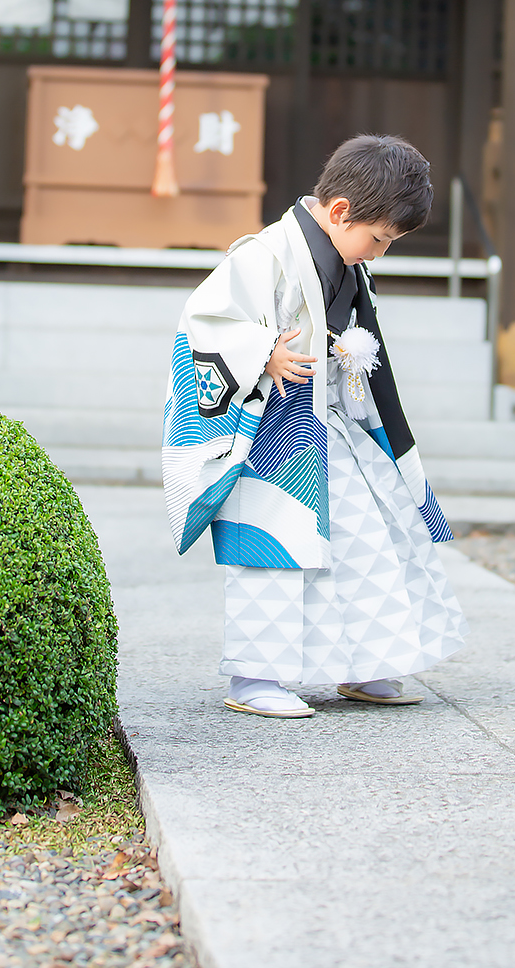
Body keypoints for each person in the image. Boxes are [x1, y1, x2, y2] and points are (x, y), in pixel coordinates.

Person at [161, 134, 468, 718]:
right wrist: (262, 355)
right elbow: (205, 322)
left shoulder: (341, 258)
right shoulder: (264, 255)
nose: (378, 254)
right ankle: (254, 677)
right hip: (271, 430)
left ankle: (365, 663)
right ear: (340, 212)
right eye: (378, 239)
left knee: (375, 535)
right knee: (274, 550)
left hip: (327, 421)